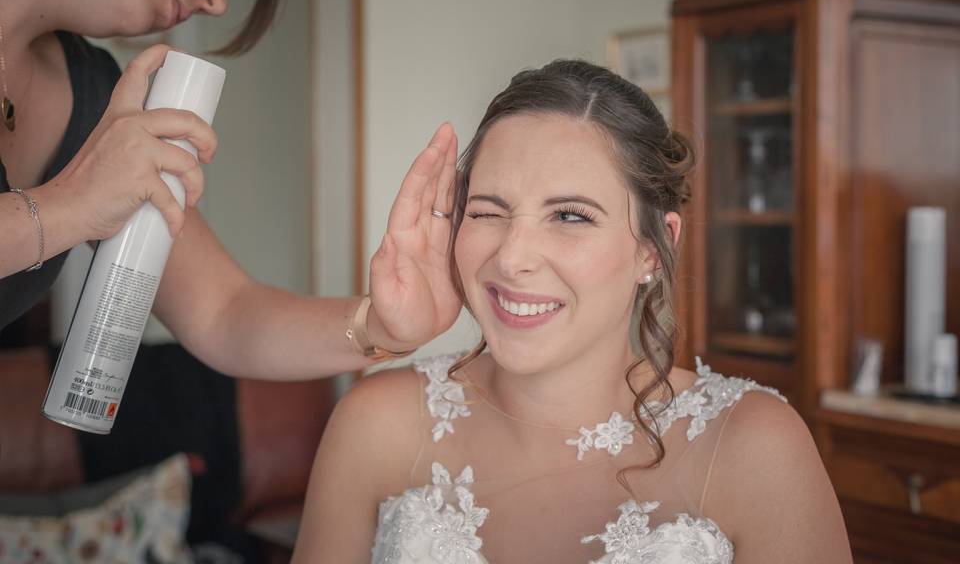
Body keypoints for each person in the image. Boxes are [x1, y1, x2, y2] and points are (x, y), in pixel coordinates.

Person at [293, 60, 852, 563]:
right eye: (488, 212)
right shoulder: (377, 425)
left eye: (570, 216)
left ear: (653, 249)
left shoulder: (754, 446)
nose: (511, 259)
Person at [0, 0, 461, 377]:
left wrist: (382, 326)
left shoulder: (95, 96)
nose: (218, 1)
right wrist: (70, 206)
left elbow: (224, 313)